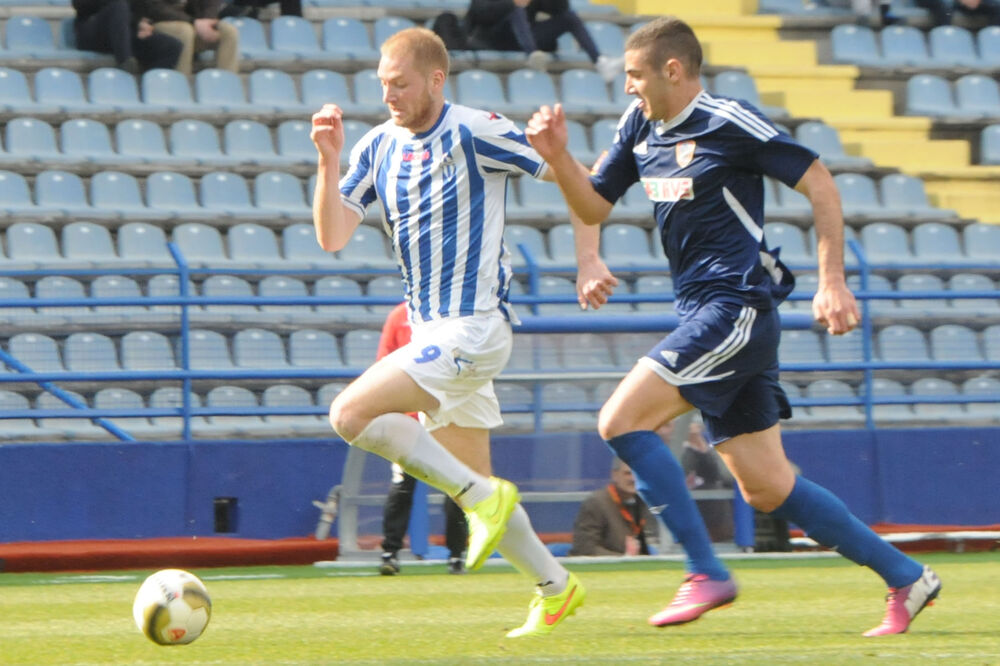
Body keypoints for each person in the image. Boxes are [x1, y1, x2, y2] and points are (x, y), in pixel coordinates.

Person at [524, 16, 941, 637]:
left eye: (636, 75)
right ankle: (906, 577)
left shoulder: (728, 120)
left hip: (735, 307)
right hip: (703, 311)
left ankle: (703, 571)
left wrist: (832, 281)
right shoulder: (640, 125)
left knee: (619, 420)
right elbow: (593, 203)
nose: (628, 88)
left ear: (673, 70)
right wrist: (558, 159)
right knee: (768, 488)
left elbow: (820, 183)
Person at [310, 27, 587, 638]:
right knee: (480, 487)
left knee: (348, 414)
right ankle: (556, 587)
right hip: (433, 334)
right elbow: (332, 236)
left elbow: (572, 174)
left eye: (400, 84)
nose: (389, 95)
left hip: (476, 327)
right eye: (383, 84)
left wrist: (589, 258)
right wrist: (328, 161)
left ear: (436, 79)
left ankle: (482, 501)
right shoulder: (377, 147)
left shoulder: (474, 128)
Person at [375, 302, 469, 576]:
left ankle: (456, 554)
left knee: (456, 484)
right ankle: (390, 552)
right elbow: (384, 363)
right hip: (410, 419)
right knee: (403, 485)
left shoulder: (455, 315)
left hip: (447, 416)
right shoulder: (398, 317)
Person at [464, 0, 623, 82]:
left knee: (569, 17)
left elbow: (560, 9)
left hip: (524, 38)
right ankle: (533, 54)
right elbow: (478, 14)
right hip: (493, 39)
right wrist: (511, 3)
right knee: (516, 10)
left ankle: (600, 62)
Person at [569, 457, 657, 556]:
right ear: (614, 475)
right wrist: (623, 559)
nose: (633, 479)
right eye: (627, 473)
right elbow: (585, 549)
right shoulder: (595, 503)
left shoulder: (641, 502)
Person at [72, 0, 183, 73]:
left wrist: (143, 23)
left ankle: (153, 91)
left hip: (126, 33)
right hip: (93, 32)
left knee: (172, 47)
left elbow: (144, 7)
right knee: (118, 4)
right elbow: (79, 3)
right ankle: (125, 63)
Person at [132, 0, 240, 75]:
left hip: (194, 24)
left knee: (229, 31)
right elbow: (155, 8)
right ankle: (182, 81)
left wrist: (207, 21)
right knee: (184, 31)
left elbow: (211, 3)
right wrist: (194, 22)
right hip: (158, 22)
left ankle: (227, 85)